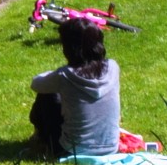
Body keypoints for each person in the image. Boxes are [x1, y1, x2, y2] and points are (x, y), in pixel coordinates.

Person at [29, 17, 120, 156]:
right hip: (111, 148)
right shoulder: (113, 67)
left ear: (69, 48)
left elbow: (36, 84)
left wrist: (53, 74)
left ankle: (40, 138)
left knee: (46, 94)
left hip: (71, 150)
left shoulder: (64, 75)